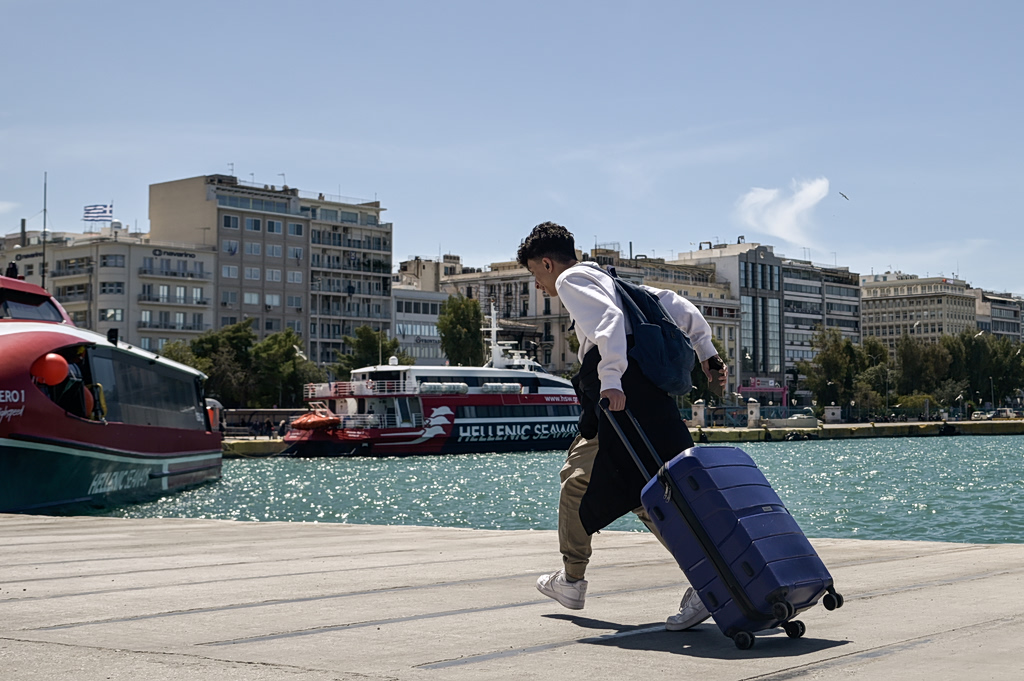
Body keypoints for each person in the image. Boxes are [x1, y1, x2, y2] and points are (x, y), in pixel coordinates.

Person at [517, 222, 728, 631]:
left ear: (546, 262)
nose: (540, 285)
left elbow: (609, 322)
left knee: (583, 479)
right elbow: (676, 304)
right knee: (646, 490)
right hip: (648, 395)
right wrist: (708, 353)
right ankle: (707, 575)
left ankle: (577, 580)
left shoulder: (573, 278)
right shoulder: (608, 277)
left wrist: (611, 380)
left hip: (620, 396)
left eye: (535, 275)